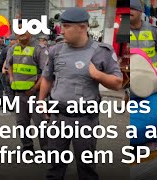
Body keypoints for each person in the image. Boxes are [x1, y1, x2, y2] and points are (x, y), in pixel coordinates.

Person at [39, 7, 123, 180]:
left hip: (85, 119)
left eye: (67, 26)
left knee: (86, 167)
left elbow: (118, 83)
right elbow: (46, 78)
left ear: (83, 27)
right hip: (58, 116)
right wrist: (41, 101)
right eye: (62, 25)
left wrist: (97, 75)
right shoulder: (56, 50)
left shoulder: (102, 51)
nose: (62, 30)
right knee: (54, 164)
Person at [8, 20, 49, 152]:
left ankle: (46, 150)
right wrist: (11, 78)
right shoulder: (13, 48)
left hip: (36, 94)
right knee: (21, 123)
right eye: (17, 29)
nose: (20, 32)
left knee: (40, 124)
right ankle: (27, 146)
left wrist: (34, 89)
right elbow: (10, 65)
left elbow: (45, 72)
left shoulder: (39, 49)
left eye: (23, 28)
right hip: (19, 93)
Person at [130, 0, 157, 68]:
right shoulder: (120, 30)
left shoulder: (152, 29)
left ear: (141, 12)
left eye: (133, 8)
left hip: (150, 76)